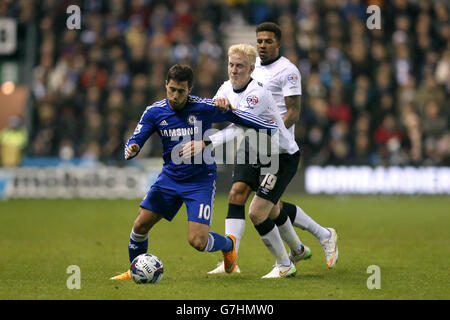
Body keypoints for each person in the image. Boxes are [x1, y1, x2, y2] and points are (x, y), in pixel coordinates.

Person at [110, 64, 277, 280]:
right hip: (169, 179)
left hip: (200, 182)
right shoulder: (154, 111)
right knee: (140, 225)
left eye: (181, 91)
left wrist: (265, 123)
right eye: (171, 89)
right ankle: (134, 270)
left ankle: (228, 244)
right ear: (166, 85)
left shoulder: (205, 107)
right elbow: (135, 139)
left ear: (190, 89)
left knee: (198, 241)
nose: (175, 96)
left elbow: (239, 117)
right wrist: (131, 149)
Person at [207, 22, 338, 275]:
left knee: (268, 208)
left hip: (275, 147)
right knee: (237, 194)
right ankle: (230, 262)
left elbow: (293, 112)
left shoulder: (288, 71)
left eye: (268, 41)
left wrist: (272, 130)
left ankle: (315, 239)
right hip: (251, 141)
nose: (263, 45)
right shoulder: (244, 71)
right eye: (259, 41)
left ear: (278, 43)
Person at [183, 44, 308, 278]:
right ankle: (232, 261)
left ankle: (285, 263)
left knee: (258, 212)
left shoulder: (257, 94)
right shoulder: (226, 87)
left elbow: (238, 128)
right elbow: (210, 109)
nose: (233, 70)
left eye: (239, 65)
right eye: (231, 64)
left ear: (251, 69)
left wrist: (205, 143)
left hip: (280, 156)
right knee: (236, 194)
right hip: (257, 150)